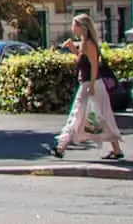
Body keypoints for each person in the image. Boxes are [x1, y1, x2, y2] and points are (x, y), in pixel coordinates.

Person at [52, 13, 125, 160]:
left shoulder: (89, 43)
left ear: (81, 27)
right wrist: (72, 48)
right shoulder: (84, 42)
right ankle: (116, 150)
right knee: (101, 115)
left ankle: (61, 147)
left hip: (91, 84)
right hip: (89, 84)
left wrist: (91, 85)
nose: (72, 29)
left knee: (78, 113)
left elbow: (94, 65)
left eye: (74, 25)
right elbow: (82, 62)